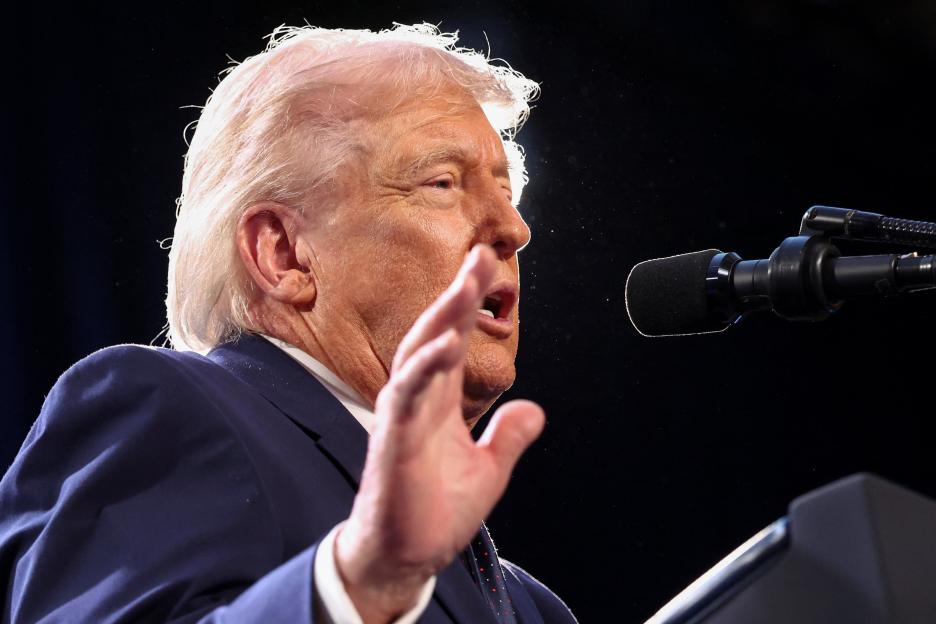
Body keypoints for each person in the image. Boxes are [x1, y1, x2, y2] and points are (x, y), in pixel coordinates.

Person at [0, 23, 577, 624]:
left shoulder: (533, 608)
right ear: (283, 253)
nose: (513, 229)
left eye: (505, 190)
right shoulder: (163, 407)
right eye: (441, 183)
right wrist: (359, 584)